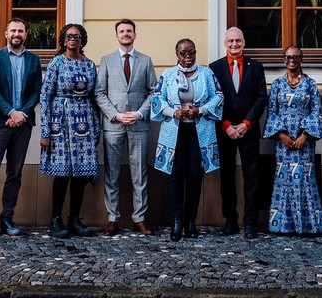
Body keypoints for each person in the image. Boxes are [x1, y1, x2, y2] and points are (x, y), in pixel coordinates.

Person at [151, 38, 223, 241]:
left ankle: (191, 220)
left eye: (191, 52)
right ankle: (177, 221)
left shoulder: (207, 73)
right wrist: (172, 112)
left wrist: (201, 110)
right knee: (175, 176)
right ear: (177, 54)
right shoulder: (168, 74)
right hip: (174, 131)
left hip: (200, 131)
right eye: (183, 53)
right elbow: (157, 98)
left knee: (194, 175)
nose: (188, 56)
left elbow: (218, 96)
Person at [0, 17, 42, 237]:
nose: (16, 34)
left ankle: (7, 219)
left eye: (20, 31)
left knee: (15, 173)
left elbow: (36, 90)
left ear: (26, 34)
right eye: (13, 30)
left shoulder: (33, 60)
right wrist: (10, 112)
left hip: (23, 124)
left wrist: (21, 113)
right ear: (6, 33)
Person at [94, 18, 157, 236]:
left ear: (135, 34)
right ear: (117, 35)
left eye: (129, 31)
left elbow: (154, 92)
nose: (126, 34)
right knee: (112, 173)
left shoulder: (145, 61)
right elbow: (99, 93)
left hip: (139, 124)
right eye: (122, 31)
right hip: (113, 124)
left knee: (140, 173)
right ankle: (112, 219)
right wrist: (116, 115)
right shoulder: (107, 60)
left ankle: (139, 219)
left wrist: (140, 113)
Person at [40, 23, 100, 238]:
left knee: (81, 175)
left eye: (77, 36)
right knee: (62, 173)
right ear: (63, 39)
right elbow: (45, 96)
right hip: (60, 121)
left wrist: (96, 128)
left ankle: (74, 219)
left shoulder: (90, 64)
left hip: (84, 122)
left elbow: (94, 97)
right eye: (69, 36)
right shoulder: (56, 62)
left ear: (82, 40)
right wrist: (45, 132)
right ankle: (55, 219)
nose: (72, 39)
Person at [209, 26, 267, 239]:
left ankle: (250, 222)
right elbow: (212, 98)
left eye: (238, 41)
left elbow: (261, 98)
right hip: (224, 130)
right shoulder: (214, 68)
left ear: (244, 43)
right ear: (225, 43)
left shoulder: (256, 67)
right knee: (227, 177)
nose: (234, 44)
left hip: (248, 130)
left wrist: (246, 123)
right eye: (231, 41)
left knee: (252, 177)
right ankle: (230, 221)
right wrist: (226, 125)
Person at [263, 46, 322, 235]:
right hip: (283, 142)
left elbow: (316, 111)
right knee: (284, 180)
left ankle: (309, 226)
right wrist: (282, 135)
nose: (292, 60)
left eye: (296, 57)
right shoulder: (277, 84)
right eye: (288, 57)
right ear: (284, 60)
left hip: (304, 141)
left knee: (305, 179)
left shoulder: (310, 84)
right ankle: (283, 225)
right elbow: (271, 112)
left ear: (301, 59)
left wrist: (305, 136)